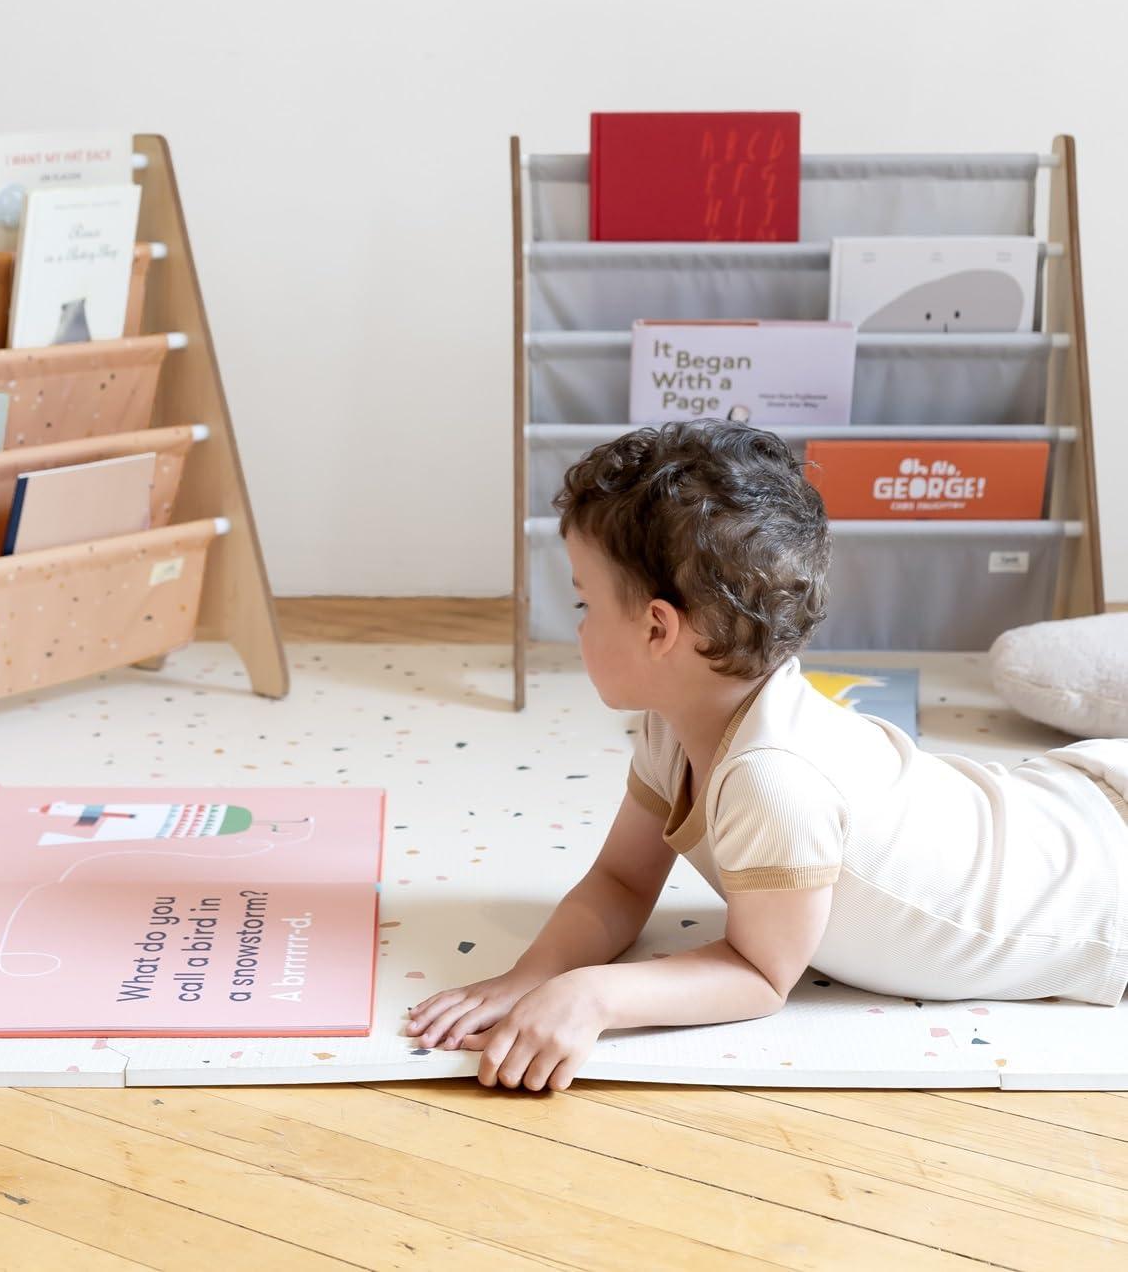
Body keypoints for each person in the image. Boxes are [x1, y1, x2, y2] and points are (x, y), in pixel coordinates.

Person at [406, 421, 1128, 1092]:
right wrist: (530, 975)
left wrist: (592, 994)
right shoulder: (672, 724)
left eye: (584, 606)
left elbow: (758, 973)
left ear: (660, 628)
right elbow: (622, 881)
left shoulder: (772, 777)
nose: (580, 628)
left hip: (1102, 883)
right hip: (1061, 805)